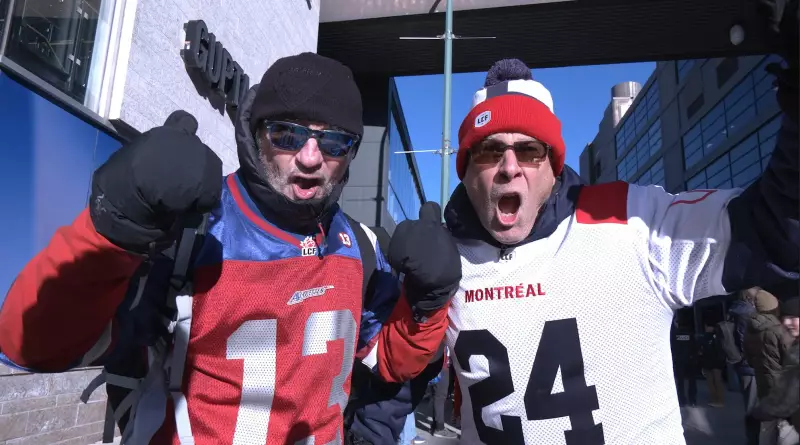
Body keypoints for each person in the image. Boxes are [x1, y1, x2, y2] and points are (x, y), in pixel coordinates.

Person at [0, 53, 459, 444]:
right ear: (256, 133)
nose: (310, 157)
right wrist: (112, 227)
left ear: (351, 153)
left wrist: (427, 302)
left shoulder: (360, 246)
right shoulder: (195, 229)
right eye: (286, 134)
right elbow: (32, 345)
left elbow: (390, 362)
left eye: (334, 141)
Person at [388, 4, 798, 442]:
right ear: (466, 171)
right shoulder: (447, 259)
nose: (509, 167)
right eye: (489, 151)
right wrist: (421, 301)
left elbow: (776, 230)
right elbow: (392, 371)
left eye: (529, 151)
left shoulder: (630, 220)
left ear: (553, 166)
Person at [744, 290, 799, 445]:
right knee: (785, 429)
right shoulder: (778, 331)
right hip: (782, 387)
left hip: (763, 383)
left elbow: (749, 359)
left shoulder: (750, 329)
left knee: (767, 427)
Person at [730, 288, 762, 444]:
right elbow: (747, 341)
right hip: (751, 367)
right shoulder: (747, 313)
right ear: (750, 296)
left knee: (752, 406)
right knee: (753, 407)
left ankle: (754, 439)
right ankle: (753, 440)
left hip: (746, 366)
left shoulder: (738, 311)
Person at [670, 314, 698, 407]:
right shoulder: (690, 334)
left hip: (679, 360)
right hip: (690, 360)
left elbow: (673, 347)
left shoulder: (675, 335)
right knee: (692, 381)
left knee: (680, 381)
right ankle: (692, 400)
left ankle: (682, 400)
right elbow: (694, 346)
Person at [700, 322, 727, 407]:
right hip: (717, 362)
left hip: (709, 361)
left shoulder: (705, 337)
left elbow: (702, 349)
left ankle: (715, 400)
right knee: (717, 381)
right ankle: (719, 400)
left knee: (711, 381)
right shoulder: (719, 336)